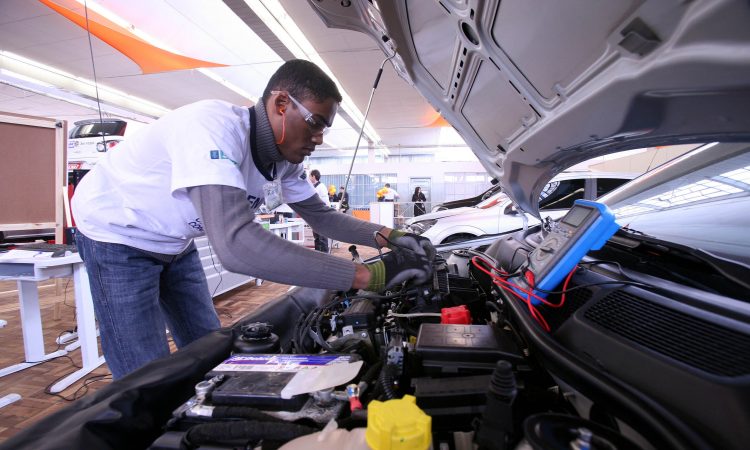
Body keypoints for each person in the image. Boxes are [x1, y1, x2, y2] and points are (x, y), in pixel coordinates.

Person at [71, 59, 436, 379]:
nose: (320, 139)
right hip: (117, 233)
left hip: (173, 242)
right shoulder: (212, 127)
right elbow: (235, 246)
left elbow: (321, 217)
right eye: (315, 123)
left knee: (208, 350)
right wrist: (366, 275)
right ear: (280, 104)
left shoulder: (286, 162)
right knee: (146, 375)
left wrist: (393, 236)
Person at [309, 169, 330, 253]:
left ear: (314, 176)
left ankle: (325, 255)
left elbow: (321, 201)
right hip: (316, 214)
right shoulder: (315, 186)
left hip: (322, 214)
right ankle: (318, 253)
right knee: (317, 236)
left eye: (310, 176)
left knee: (322, 236)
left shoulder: (321, 187)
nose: (309, 178)